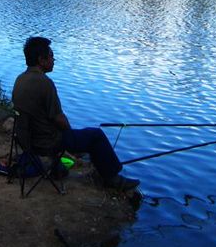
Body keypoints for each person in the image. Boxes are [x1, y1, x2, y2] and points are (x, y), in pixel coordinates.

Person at [12, 36, 140, 191]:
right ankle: (113, 179)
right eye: (51, 56)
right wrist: (70, 132)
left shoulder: (20, 79)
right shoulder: (45, 83)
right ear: (41, 59)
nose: (54, 59)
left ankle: (57, 168)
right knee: (96, 135)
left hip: (25, 141)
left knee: (49, 126)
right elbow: (58, 118)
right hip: (45, 143)